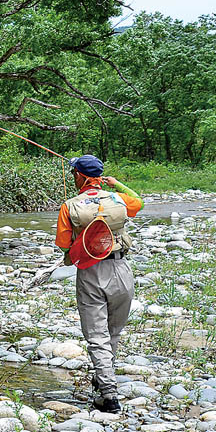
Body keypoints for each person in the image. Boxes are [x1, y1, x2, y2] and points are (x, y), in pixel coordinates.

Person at [54, 154, 143, 414]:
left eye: (74, 174)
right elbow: (139, 202)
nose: (73, 177)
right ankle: (103, 379)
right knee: (112, 332)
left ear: (80, 176)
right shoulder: (118, 199)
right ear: (99, 177)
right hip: (121, 268)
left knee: (97, 337)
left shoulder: (69, 206)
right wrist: (116, 184)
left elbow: (63, 245)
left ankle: (109, 396)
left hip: (91, 272)